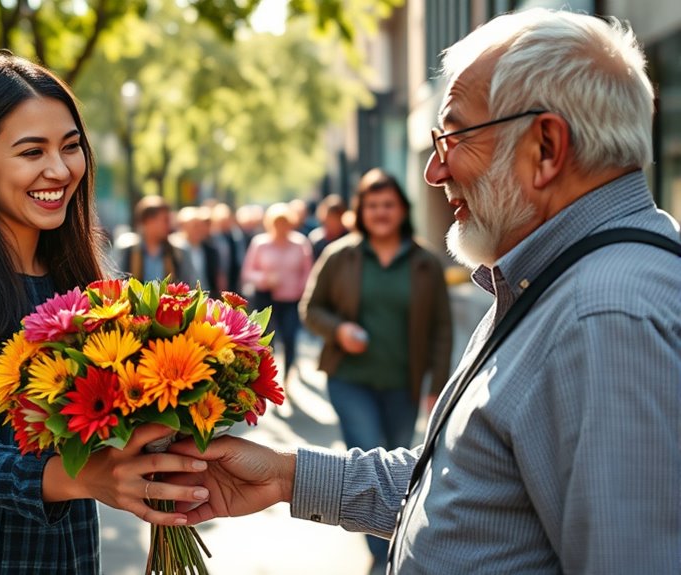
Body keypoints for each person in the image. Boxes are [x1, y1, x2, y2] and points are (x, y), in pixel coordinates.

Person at [168, 9, 681, 574]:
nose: (436, 171)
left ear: (546, 147)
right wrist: (287, 476)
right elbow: (467, 490)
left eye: (454, 136)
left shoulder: (603, 316)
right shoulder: (563, 282)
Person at [0, 52, 210, 574]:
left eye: (71, 147)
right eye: (31, 151)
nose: (59, 169)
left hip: (69, 556)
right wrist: (90, 478)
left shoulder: (78, 271)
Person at [299, 168, 452, 568]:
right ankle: (384, 555)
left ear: (403, 208)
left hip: (404, 383)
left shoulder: (425, 263)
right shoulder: (341, 255)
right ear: (360, 211)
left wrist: (438, 385)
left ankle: (388, 545)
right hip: (350, 381)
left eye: (389, 205)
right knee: (369, 456)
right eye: (372, 205)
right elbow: (310, 309)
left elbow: (441, 327)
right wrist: (339, 329)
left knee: (397, 467)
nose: (381, 213)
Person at [240, 202, 314, 386]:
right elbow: (248, 272)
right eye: (277, 223)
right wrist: (263, 279)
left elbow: (309, 272)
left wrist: (301, 289)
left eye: (284, 222)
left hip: (291, 300)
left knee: (289, 338)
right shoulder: (260, 243)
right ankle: (265, 380)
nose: (281, 227)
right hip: (266, 299)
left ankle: (287, 378)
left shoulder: (300, 243)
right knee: (266, 342)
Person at [116, 195, 197, 284]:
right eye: (165, 220)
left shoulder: (178, 252)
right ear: (148, 221)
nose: (169, 225)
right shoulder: (128, 251)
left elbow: (187, 285)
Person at [307, 193, 348, 261]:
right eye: (330, 218)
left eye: (335, 218)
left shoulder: (349, 238)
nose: (332, 223)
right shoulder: (316, 240)